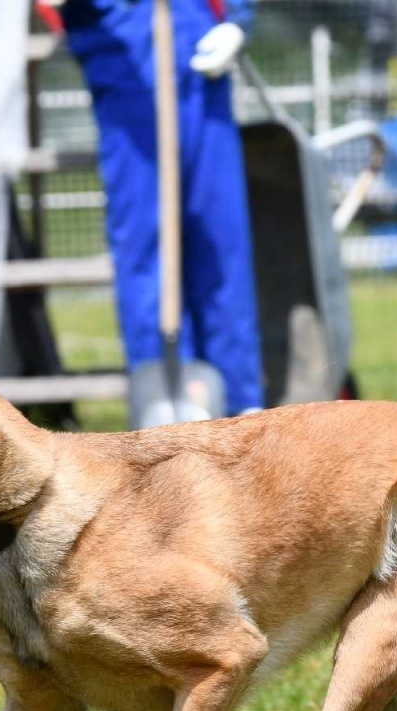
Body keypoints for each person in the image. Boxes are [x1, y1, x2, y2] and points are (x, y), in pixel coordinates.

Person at [52, 0, 265, 420]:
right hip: (125, 58)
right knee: (145, 245)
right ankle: (168, 404)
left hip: (200, 49)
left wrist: (237, 20)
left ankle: (241, 401)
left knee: (221, 238)